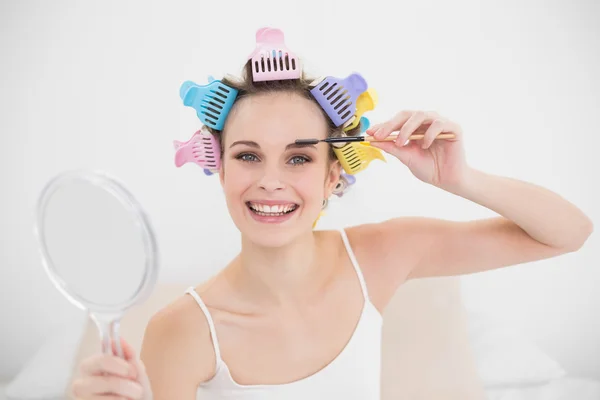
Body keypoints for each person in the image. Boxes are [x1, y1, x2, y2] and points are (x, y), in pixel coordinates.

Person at [69, 28, 593, 400]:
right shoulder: (180, 330)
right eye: (248, 155)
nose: (271, 179)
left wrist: (460, 179)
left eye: (298, 157)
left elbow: (568, 233)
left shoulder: (379, 256)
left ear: (331, 177)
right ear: (220, 169)